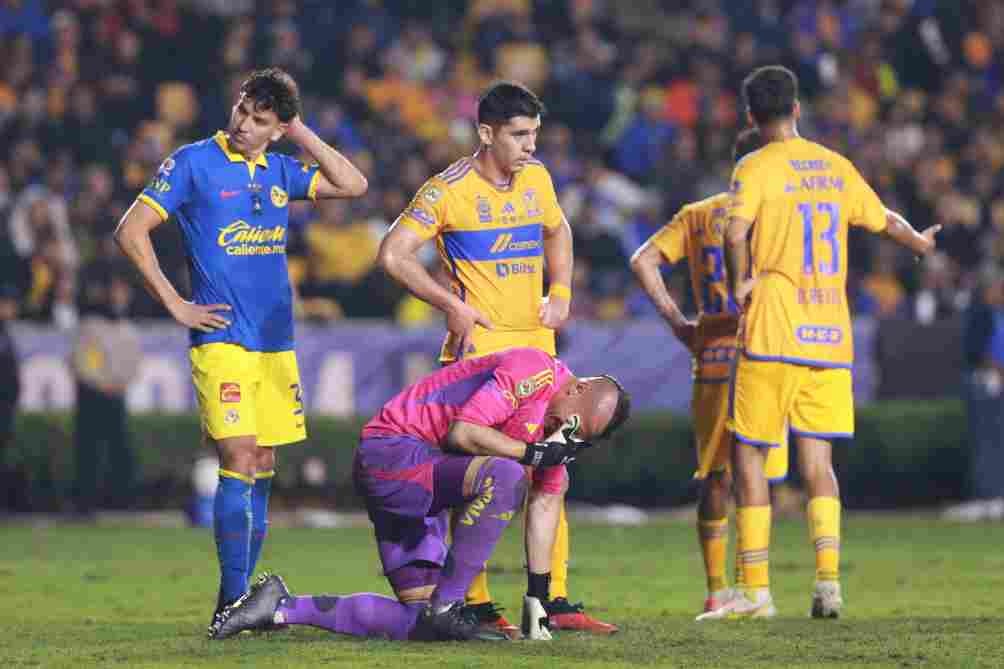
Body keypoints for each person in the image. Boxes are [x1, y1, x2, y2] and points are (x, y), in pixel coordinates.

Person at [113, 67, 368, 635]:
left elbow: (354, 185)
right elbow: (131, 229)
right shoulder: (192, 162)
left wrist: (300, 132)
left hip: (276, 341)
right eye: (243, 112)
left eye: (261, 121)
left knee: (264, 463)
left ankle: (243, 605)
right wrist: (176, 302)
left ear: (278, 128)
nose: (245, 125)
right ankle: (232, 602)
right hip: (222, 338)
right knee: (238, 455)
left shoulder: (280, 166)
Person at [700, 66, 939, 620]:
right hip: (829, 336)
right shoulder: (835, 166)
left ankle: (756, 590)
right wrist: (919, 245)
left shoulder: (753, 165)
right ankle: (829, 583)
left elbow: (734, 232)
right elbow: (884, 220)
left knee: (749, 454)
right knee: (818, 462)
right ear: (798, 109)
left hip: (772, 331)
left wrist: (739, 281)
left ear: (750, 117)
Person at [377, 81, 614, 635]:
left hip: (539, 347)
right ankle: (475, 603)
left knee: (553, 468)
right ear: (486, 133)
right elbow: (392, 254)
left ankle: (551, 600)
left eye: (534, 133)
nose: (531, 145)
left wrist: (561, 293)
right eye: (519, 134)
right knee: (484, 475)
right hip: (479, 356)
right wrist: (450, 305)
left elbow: (559, 230)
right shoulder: (447, 191)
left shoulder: (537, 179)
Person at [209, 347, 631, 642]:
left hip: (424, 484)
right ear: (577, 389)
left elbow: (546, 503)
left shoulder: (559, 431)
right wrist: (532, 452)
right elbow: (463, 433)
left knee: (420, 624)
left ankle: (278, 606)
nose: (568, 433)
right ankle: (449, 605)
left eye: (580, 437)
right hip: (391, 454)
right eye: (572, 423)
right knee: (505, 477)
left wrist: (537, 600)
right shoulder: (534, 370)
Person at [630, 127, 789, 615]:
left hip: (714, 356)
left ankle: (717, 589)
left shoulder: (698, 216)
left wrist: (681, 324)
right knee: (756, 474)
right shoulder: (777, 210)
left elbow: (644, 261)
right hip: (766, 350)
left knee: (715, 477)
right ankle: (751, 587)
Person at [71, 272, 142, 515]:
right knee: (89, 451)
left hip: (116, 397)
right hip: (93, 397)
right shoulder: (91, 326)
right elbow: (82, 363)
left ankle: (121, 502)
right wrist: (103, 383)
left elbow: (134, 363)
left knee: (120, 451)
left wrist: (121, 383)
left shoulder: (129, 329)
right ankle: (85, 504)